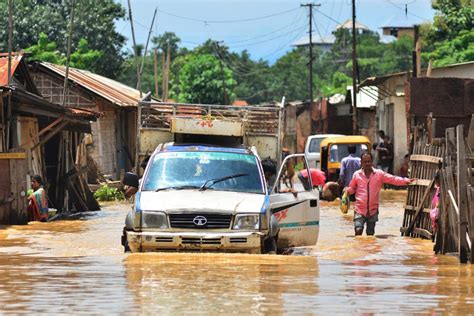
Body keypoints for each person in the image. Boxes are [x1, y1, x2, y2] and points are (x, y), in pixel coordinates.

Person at [344, 152, 414, 236]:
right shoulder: (356, 175)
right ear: (361, 163)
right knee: (358, 230)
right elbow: (352, 189)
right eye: (365, 162)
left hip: (373, 210)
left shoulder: (379, 174)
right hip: (360, 209)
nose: (367, 164)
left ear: (372, 162)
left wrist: (406, 181)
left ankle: (368, 249)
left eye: (369, 161)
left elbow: (393, 179)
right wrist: (347, 190)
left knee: (370, 234)